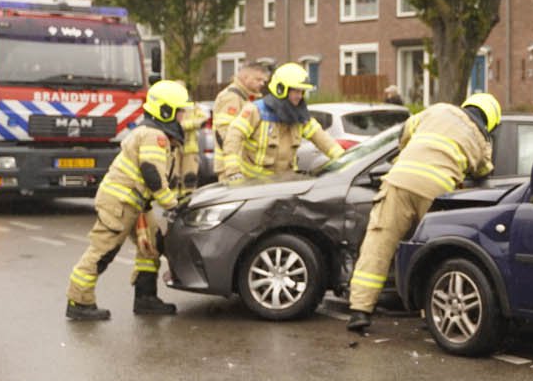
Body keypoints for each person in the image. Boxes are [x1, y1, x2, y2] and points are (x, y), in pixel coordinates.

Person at [345, 93, 499, 335]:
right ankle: (431, 313)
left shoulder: (439, 109)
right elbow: (484, 173)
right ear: (490, 121)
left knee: (378, 245)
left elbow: (405, 131)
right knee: (433, 253)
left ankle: (359, 311)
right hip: (437, 192)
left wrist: (407, 152)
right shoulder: (481, 140)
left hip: (399, 182)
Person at [65, 80, 191, 320]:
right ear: (166, 111)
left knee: (151, 246)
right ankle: (78, 301)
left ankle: (145, 298)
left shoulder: (155, 133)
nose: (183, 116)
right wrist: (173, 205)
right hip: (120, 202)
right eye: (180, 111)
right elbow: (152, 174)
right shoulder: (154, 136)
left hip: (136, 203)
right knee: (103, 251)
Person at [218, 63, 343, 183]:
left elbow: (325, 141)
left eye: (302, 92)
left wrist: (345, 161)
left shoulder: (300, 116)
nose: (300, 96)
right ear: (281, 89)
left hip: (284, 186)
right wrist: (233, 172)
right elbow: (233, 137)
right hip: (253, 185)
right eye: (296, 91)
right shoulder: (255, 111)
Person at [212, 57, 274, 129]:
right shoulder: (232, 97)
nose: (262, 83)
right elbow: (224, 129)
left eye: (263, 81)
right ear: (245, 77)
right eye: (258, 79)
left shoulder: (246, 96)